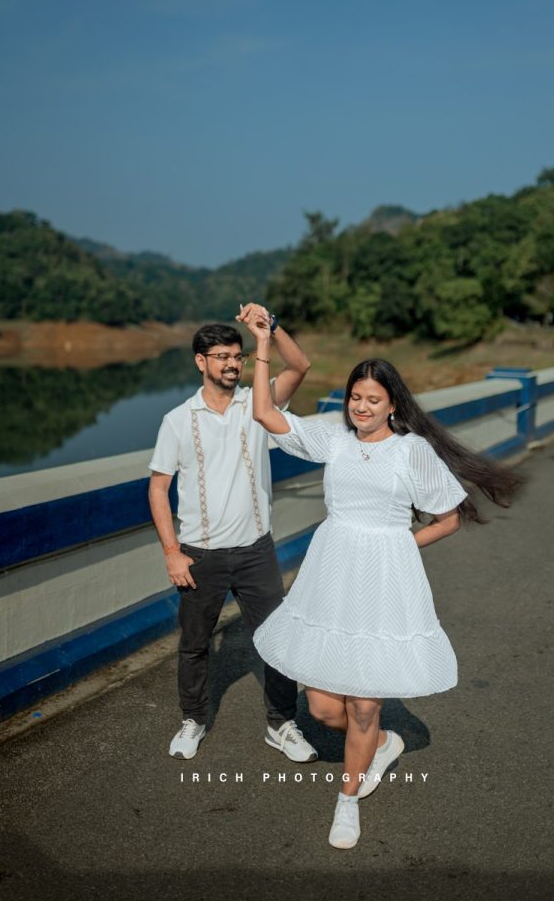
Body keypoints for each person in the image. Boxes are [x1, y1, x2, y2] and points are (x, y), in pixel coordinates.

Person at [245, 314, 522, 849]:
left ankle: (347, 801)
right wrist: (265, 339)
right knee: (326, 708)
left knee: (364, 703)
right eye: (354, 397)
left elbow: (449, 516)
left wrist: (398, 549)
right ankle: (386, 743)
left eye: (372, 399)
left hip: (383, 582)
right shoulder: (334, 439)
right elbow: (263, 411)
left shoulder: (412, 450)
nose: (361, 407)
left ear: (393, 403)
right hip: (331, 574)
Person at [148, 304, 317, 763]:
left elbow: (300, 366)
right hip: (199, 554)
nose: (231, 364)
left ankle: (282, 724)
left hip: (255, 549)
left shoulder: (257, 404)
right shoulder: (177, 420)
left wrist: (271, 329)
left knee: (277, 640)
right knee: (194, 645)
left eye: (237, 356)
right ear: (200, 362)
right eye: (221, 356)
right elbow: (158, 488)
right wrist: (171, 552)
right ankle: (193, 719)